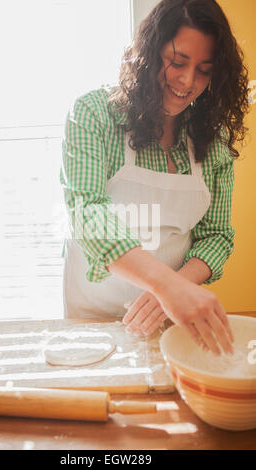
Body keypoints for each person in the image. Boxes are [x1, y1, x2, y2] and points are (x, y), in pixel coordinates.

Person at [60, 0, 250, 356]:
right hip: (91, 319)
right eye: (177, 62)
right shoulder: (94, 114)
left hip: (172, 322)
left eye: (204, 70)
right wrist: (167, 287)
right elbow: (87, 213)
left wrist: (174, 290)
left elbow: (217, 236)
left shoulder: (214, 139)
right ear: (149, 50)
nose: (187, 81)